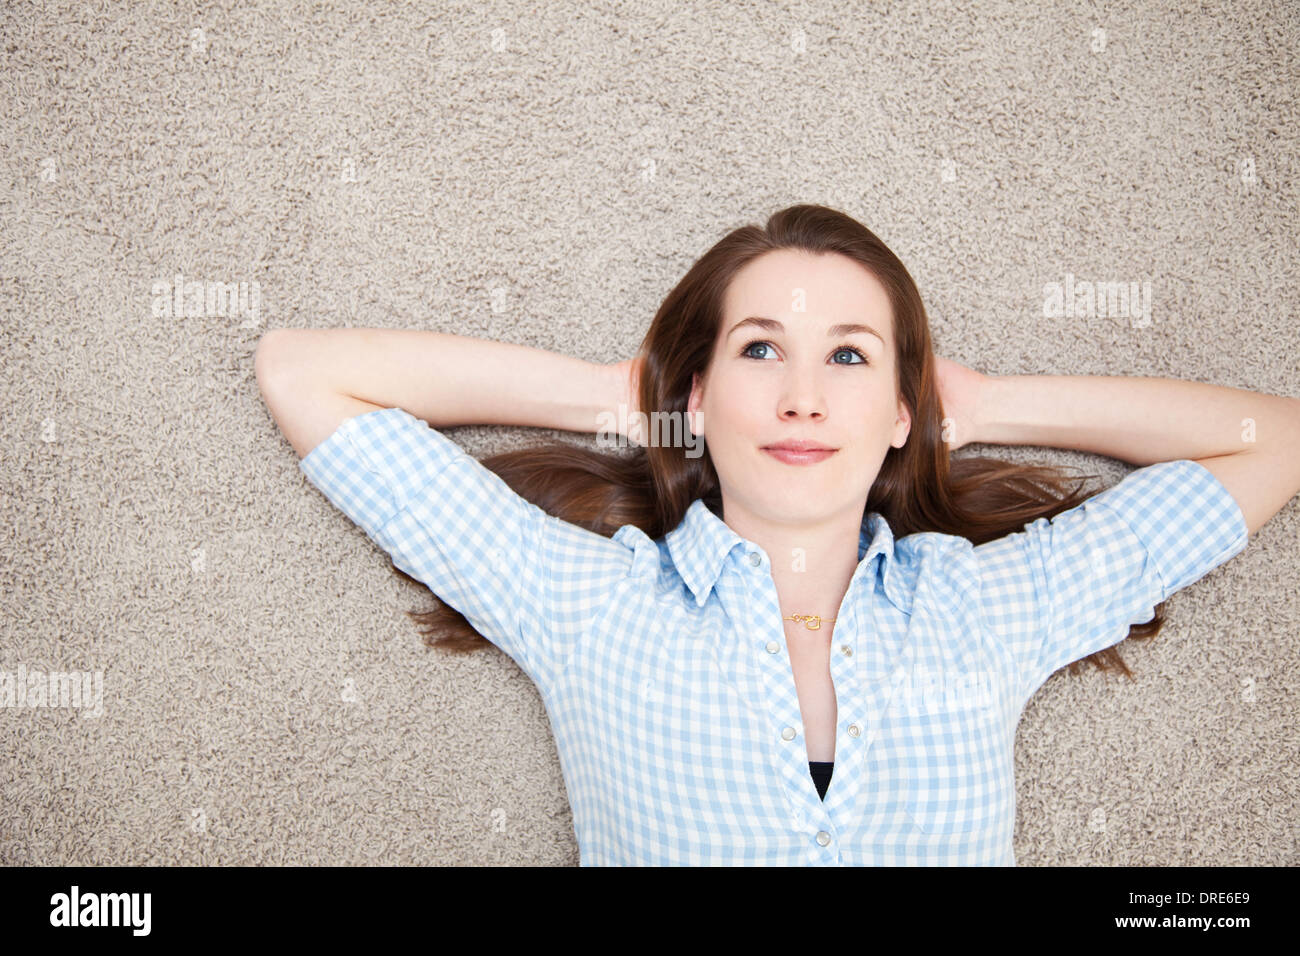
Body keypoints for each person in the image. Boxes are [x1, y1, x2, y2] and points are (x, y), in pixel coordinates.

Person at [255, 204, 1300, 866]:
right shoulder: (587, 604)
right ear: (704, 392)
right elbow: (305, 373)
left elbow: (1274, 441)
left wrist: (979, 405)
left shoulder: (988, 604)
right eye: (761, 350)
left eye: (849, 358)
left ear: (899, 410)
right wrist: (629, 398)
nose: (801, 399)